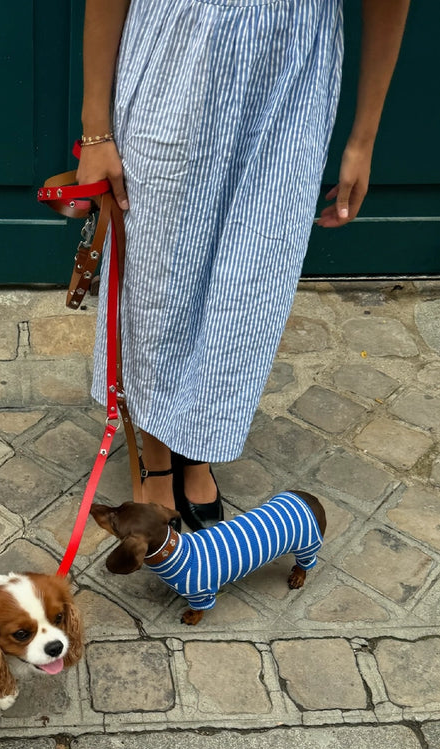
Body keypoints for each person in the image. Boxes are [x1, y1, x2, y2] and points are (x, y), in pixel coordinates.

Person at [77, 0, 410, 531]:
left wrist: (362, 139)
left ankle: (197, 435)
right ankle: (156, 453)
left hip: (292, 73)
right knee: (157, 272)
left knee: (250, 283)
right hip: (176, 51)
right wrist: (95, 129)